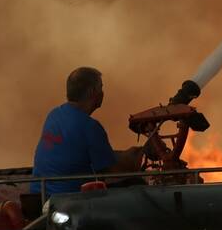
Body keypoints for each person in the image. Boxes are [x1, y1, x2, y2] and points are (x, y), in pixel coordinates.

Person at [31, 67, 143, 197]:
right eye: (101, 87)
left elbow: (84, 152)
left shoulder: (54, 114)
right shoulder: (90, 127)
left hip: (38, 194)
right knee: (137, 183)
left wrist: (127, 153)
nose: (103, 93)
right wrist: (138, 155)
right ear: (92, 91)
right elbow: (112, 169)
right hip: (68, 198)